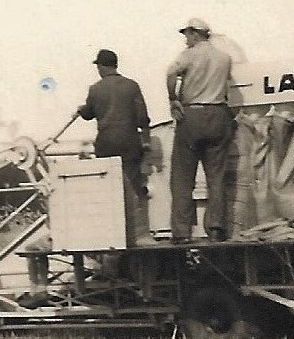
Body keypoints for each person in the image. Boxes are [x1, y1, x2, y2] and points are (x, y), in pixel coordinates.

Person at [166, 18, 233, 242]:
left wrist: (172, 99)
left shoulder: (189, 54)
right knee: (216, 176)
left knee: (183, 177)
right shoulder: (225, 58)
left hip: (192, 115)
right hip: (219, 114)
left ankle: (182, 232)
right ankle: (215, 228)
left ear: (195, 34)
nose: (185, 39)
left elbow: (170, 74)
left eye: (187, 34)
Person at [77, 49, 154, 244]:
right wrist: (146, 141)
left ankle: (112, 234)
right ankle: (137, 234)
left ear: (102, 66)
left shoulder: (95, 89)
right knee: (134, 185)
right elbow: (142, 118)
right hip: (129, 142)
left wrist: (81, 109)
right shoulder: (131, 86)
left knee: (109, 189)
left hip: (106, 145)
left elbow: (88, 114)